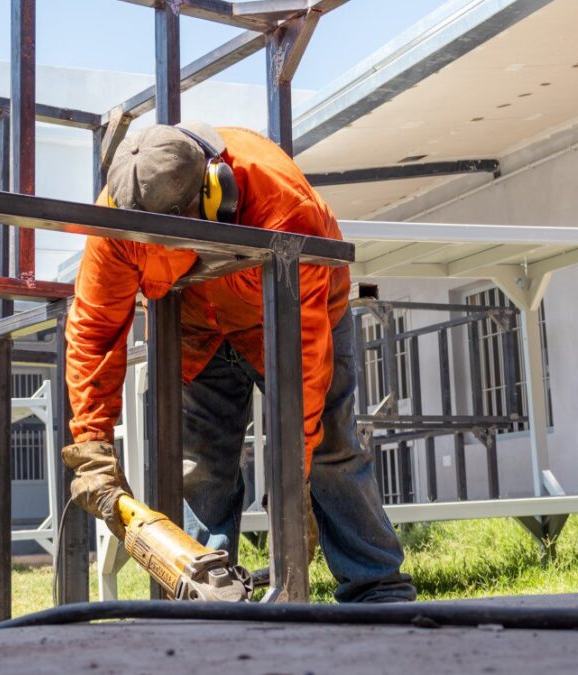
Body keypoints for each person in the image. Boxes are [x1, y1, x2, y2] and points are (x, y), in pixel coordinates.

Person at [62, 122, 415, 603]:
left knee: (332, 448)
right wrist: (91, 443)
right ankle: (211, 591)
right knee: (201, 466)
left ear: (215, 192)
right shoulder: (118, 221)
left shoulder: (281, 203)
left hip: (289, 317)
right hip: (195, 330)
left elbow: (306, 355)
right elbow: (96, 329)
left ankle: (378, 590)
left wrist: (300, 474)